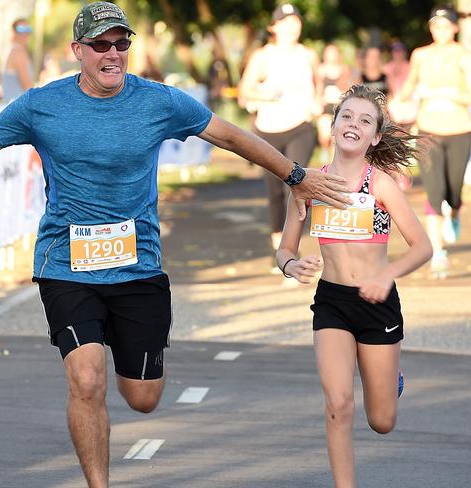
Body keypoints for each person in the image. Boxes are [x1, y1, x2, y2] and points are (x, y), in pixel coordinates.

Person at [0, 3, 350, 487]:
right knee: (87, 378)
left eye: (121, 43)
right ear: (79, 51)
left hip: (138, 268)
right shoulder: (42, 105)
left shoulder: (158, 102)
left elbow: (230, 135)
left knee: (143, 397)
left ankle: (123, 345)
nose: (113, 53)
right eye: (101, 44)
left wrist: (296, 176)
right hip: (66, 265)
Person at [276, 84, 432, 488]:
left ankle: (390, 376)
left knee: (381, 421)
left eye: (365, 121)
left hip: (378, 304)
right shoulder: (309, 184)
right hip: (332, 302)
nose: (354, 125)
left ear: (375, 137)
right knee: (338, 404)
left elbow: (422, 247)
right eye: (347, 116)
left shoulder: (378, 185)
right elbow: (284, 250)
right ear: (332, 125)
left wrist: (386, 274)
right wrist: (292, 264)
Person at [238, 3, 320, 273]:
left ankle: (292, 251)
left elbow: (318, 91)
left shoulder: (308, 55)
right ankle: (279, 249)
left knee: (295, 185)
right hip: (268, 129)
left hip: (300, 126)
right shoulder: (263, 57)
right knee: (274, 190)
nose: (292, 27)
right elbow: (243, 93)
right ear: (274, 27)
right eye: (285, 22)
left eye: (296, 21)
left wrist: (318, 107)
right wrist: (266, 94)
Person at [399, 5, 471, 278]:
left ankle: (453, 212)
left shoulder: (464, 57)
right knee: (433, 190)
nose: (439, 31)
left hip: (459, 130)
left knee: (452, 192)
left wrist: (448, 92)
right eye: (434, 26)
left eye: (444, 25)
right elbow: (409, 86)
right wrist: (399, 98)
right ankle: (437, 253)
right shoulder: (420, 55)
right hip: (428, 130)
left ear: (454, 27)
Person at [316, 43, 352, 161]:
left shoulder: (344, 69)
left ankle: (332, 164)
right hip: (326, 107)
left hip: (339, 106)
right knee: (325, 135)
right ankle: (324, 148)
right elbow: (319, 89)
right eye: (328, 53)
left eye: (333, 53)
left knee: (335, 138)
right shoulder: (321, 70)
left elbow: (346, 88)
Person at [1, 18, 35, 101]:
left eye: (27, 29)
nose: (25, 33)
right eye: (21, 30)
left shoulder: (10, 50)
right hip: (18, 106)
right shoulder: (18, 52)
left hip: (11, 104)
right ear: (13, 32)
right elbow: (27, 86)